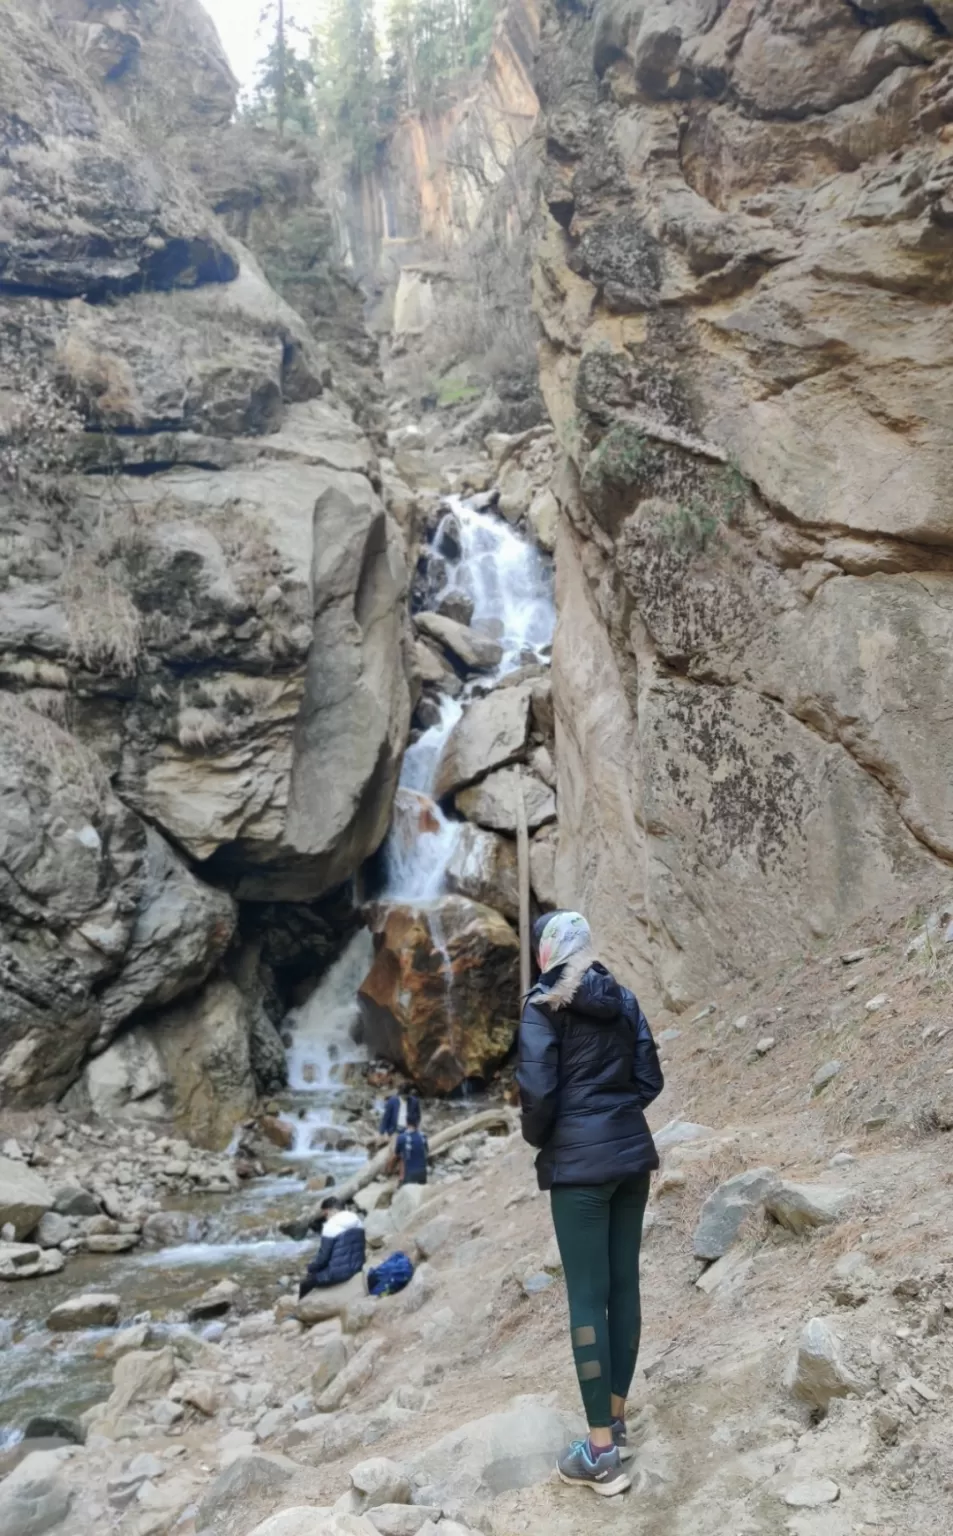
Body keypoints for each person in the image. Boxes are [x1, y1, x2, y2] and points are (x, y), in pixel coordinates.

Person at [517, 910, 663, 1499]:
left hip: (579, 1168)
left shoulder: (542, 1003)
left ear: (548, 952)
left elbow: (537, 1093)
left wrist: (552, 1137)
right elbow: (649, 1079)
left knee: (586, 1298)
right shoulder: (623, 998)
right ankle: (617, 1422)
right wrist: (616, 1114)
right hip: (631, 1159)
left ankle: (599, 1454)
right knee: (624, 1286)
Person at [298, 1196, 366, 1298]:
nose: (325, 1217)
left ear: (329, 1210)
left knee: (306, 1283)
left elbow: (323, 1259)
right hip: (358, 1267)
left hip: (337, 1274)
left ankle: (300, 1311)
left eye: (325, 1214)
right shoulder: (358, 1221)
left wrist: (310, 1268)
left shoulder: (331, 1226)